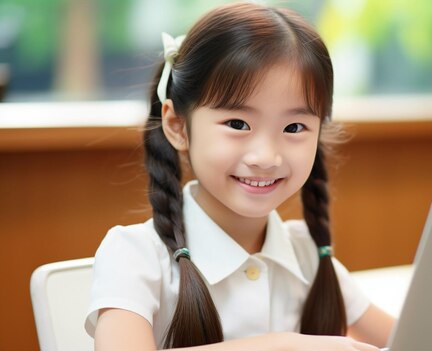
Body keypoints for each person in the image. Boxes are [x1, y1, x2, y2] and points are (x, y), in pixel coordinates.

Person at [85, 2, 395, 350]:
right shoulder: (135, 256)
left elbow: (416, 339)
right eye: (237, 124)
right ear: (177, 126)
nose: (266, 157)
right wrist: (283, 346)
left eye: (294, 127)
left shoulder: (307, 254)